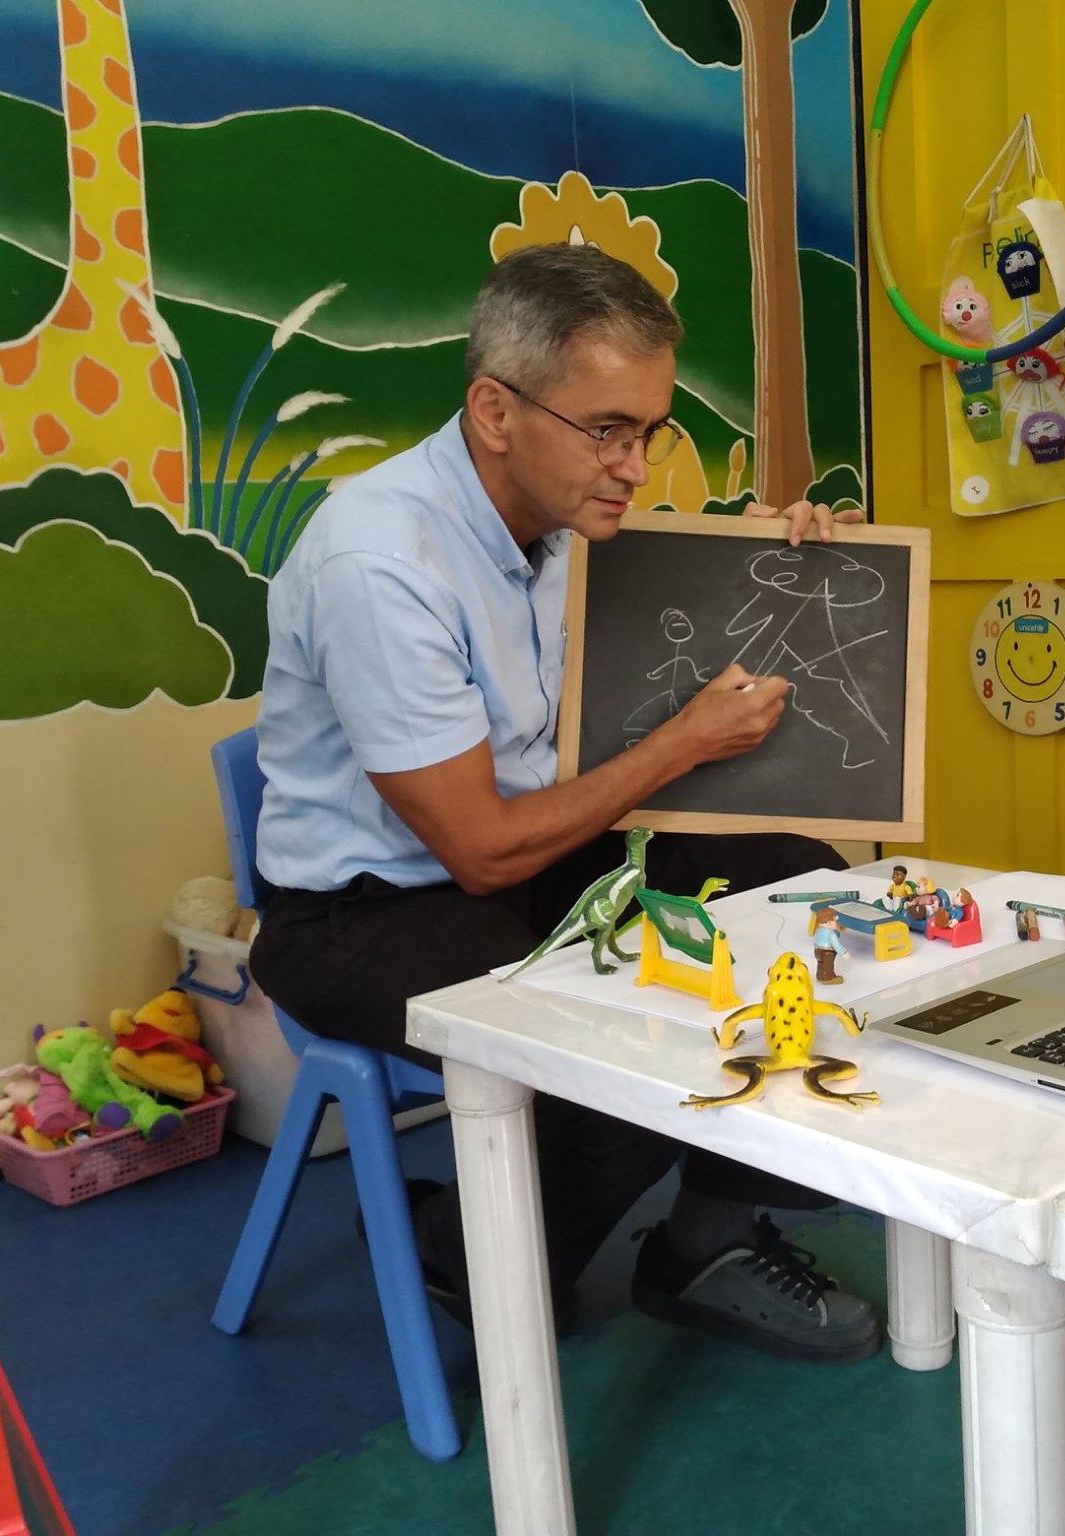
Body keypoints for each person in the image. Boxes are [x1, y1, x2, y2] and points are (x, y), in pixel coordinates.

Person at [248, 243, 879, 1363]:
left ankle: (704, 1242)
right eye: (608, 430)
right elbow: (485, 849)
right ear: (495, 411)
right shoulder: (380, 560)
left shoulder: (550, 518)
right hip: (364, 914)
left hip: (529, 865)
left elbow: (694, 617)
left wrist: (796, 556)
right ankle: (468, 1249)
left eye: (649, 430)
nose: (635, 465)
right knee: (612, 1032)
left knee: (801, 892)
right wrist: (683, 746)